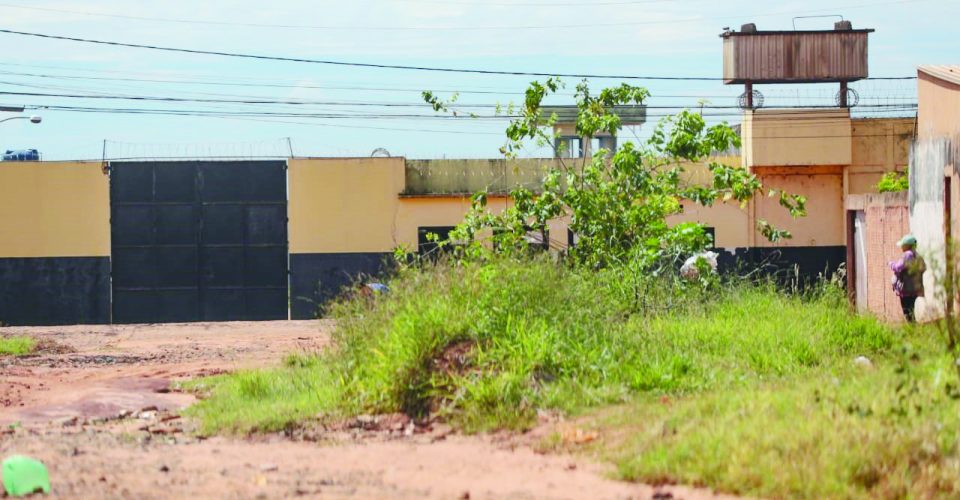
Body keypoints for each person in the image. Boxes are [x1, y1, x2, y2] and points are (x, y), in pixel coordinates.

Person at [889, 235, 926, 323]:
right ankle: (914, 331)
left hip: (906, 290)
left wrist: (891, 264)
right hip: (915, 288)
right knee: (911, 311)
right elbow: (923, 268)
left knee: (907, 312)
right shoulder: (917, 255)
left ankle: (913, 332)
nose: (901, 247)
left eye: (903, 245)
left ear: (907, 246)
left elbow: (898, 267)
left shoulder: (907, 255)